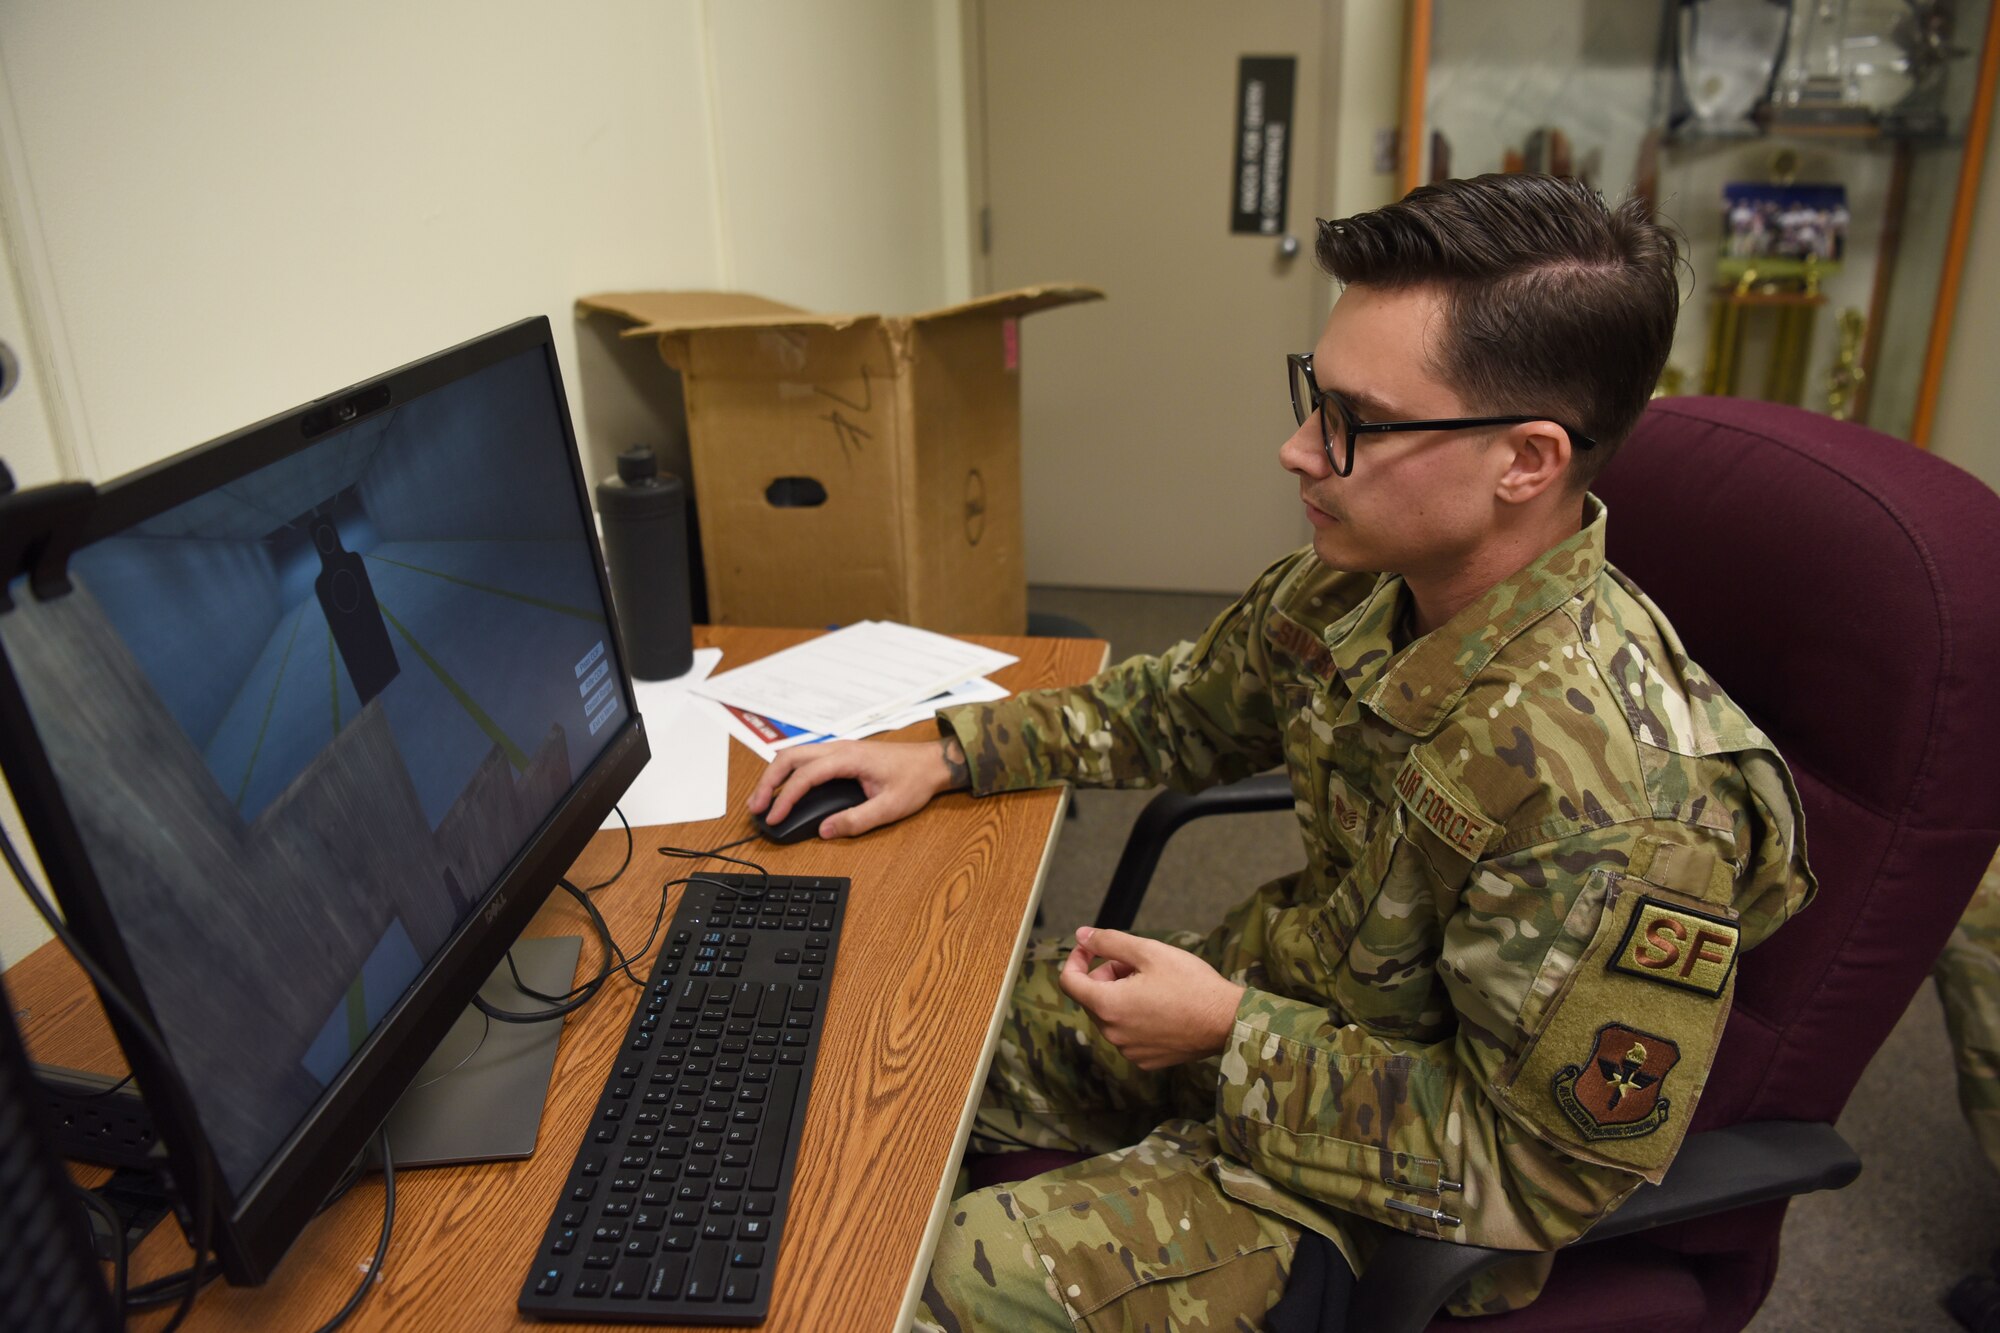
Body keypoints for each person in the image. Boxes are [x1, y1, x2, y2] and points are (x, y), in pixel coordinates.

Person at [749, 173, 1816, 1330]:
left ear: (1525, 461)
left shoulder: (1623, 804)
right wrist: (951, 752)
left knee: (922, 1288)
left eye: (1354, 420)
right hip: (1255, 1013)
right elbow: (1179, 707)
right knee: (870, 1032)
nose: (1296, 449)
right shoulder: (1362, 581)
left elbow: (1541, 1173)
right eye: (1315, 393)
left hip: (1374, 1198)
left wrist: (1229, 1033)